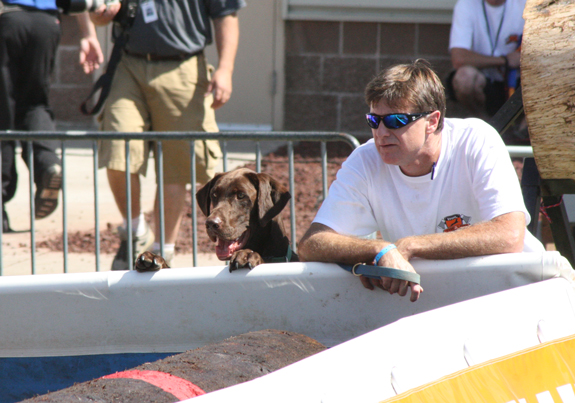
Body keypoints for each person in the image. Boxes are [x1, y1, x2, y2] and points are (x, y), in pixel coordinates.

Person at [298, 59, 544, 303]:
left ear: (432, 121)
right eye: (374, 120)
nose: (381, 133)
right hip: (435, 301)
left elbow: (510, 235)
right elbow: (311, 243)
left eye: (395, 121)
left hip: (519, 294)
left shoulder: (476, 140)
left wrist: (410, 246)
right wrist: (378, 250)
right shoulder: (365, 159)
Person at [90, 0, 245, 270]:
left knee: (176, 167)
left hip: (183, 66)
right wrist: (101, 14)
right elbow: (99, 15)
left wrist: (225, 68)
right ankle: (136, 232)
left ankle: (163, 254)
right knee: (117, 149)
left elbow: (226, 14)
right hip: (128, 63)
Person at [0, 4, 103, 232]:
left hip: (8, 18)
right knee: (35, 104)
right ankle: (47, 164)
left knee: (3, 112)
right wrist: (88, 34)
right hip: (46, 24)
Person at [447, 0, 526, 118]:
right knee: (464, 78)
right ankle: (482, 121)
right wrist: (505, 60)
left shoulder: (526, 4)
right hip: (485, 84)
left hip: (518, 83)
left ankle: (524, 127)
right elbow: (459, 58)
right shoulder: (466, 4)